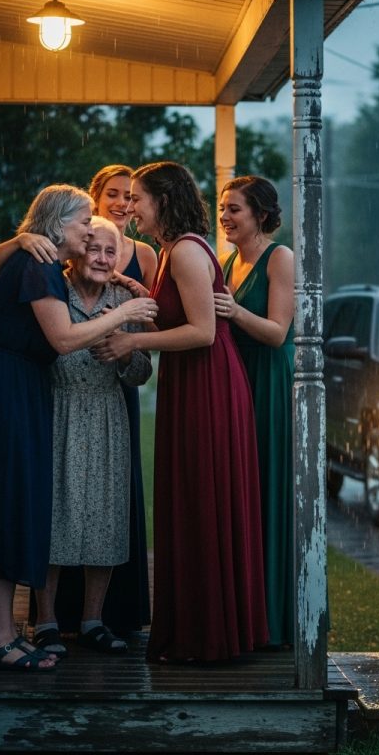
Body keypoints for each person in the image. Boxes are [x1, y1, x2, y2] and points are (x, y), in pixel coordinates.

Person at [0, 185, 156, 671]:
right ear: (58, 224)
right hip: (6, 393)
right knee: (3, 508)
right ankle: (0, 637)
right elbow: (62, 339)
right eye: (85, 221)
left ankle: (1, 634)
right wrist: (125, 314)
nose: (92, 228)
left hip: (16, 390)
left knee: (7, 507)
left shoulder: (39, 265)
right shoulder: (40, 266)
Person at [93, 161, 269, 663]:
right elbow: (174, 308)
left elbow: (204, 331)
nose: (130, 207)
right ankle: (196, 626)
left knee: (201, 500)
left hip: (208, 387)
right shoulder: (172, 251)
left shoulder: (189, 250)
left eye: (139, 199)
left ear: (163, 201)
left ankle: (209, 635)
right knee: (187, 503)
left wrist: (133, 340)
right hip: (190, 386)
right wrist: (135, 294)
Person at [32, 216, 153, 657]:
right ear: (79, 249)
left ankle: (92, 622)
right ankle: (45, 622)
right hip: (56, 410)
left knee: (105, 515)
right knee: (54, 515)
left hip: (107, 412)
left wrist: (123, 352)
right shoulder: (52, 290)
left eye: (110, 252)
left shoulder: (126, 298)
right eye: (94, 249)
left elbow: (142, 373)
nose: (101, 259)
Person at [215, 176, 295, 648]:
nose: (224, 217)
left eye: (235, 210)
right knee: (242, 496)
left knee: (268, 493)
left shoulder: (278, 258)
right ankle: (245, 612)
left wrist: (233, 311)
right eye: (222, 209)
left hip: (268, 383)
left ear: (261, 215)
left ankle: (275, 619)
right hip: (237, 385)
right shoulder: (227, 261)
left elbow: (277, 332)